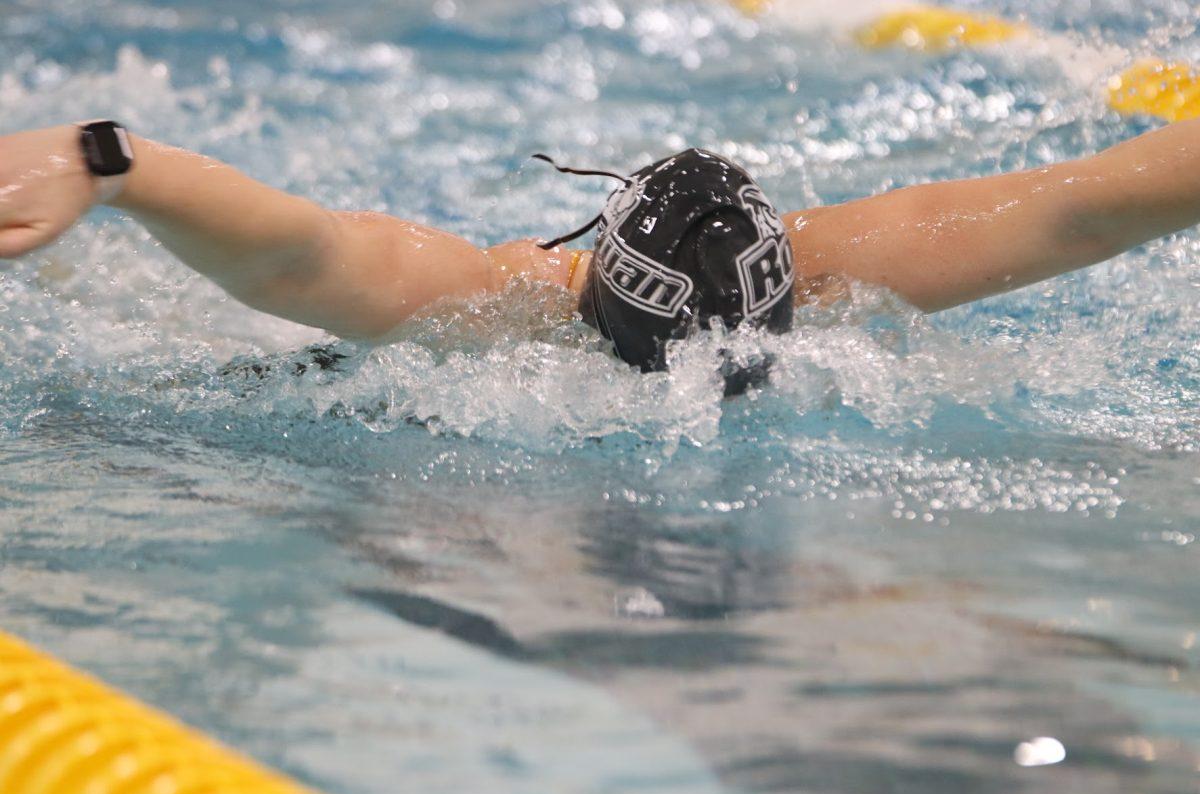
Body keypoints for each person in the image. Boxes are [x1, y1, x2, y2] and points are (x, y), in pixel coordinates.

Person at [1, 119, 1196, 391]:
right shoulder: (839, 276)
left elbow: (302, 257)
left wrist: (108, 158)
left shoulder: (500, 304)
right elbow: (1075, 210)